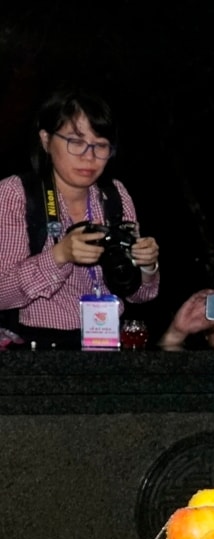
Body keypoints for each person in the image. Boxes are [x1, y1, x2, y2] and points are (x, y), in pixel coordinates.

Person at [0, 89, 161, 348]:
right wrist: (58, 256)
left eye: (100, 145)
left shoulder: (115, 194)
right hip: (35, 349)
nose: (89, 156)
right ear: (45, 140)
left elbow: (141, 295)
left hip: (107, 344)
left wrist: (147, 266)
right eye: (75, 142)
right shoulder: (15, 194)